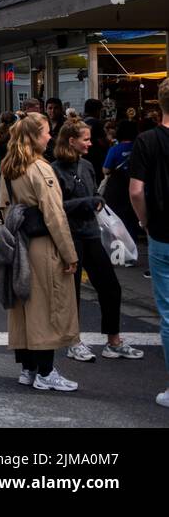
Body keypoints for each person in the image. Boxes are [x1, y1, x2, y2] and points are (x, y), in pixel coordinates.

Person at [0, 113, 81, 391]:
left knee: (22, 306)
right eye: (46, 132)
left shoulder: (9, 167)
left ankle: (28, 368)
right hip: (42, 246)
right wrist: (69, 254)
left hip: (18, 243)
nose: (50, 136)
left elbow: (3, 206)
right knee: (46, 307)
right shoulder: (40, 168)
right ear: (34, 136)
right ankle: (46, 372)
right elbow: (55, 215)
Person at [51, 119, 142, 363]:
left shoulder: (87, 166)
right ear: (72, 141)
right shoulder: (54, 170)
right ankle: (73, 342)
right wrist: (88, 202)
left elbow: (93, 194)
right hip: (69, 237)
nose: (90, 143)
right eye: (86, 139)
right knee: (72, 292)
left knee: (111, 287)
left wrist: (96, 200)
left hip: (91, 234)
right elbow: (54, 207)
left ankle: (114, 341)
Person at [127, 77, 169, 408]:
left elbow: (136, 191)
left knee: (168, 313)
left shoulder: (147, 140)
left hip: (162, 232)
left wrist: (144, 221)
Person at [102, 121, 142, 242]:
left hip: (117, 190)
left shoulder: (115, 149)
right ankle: (132, 243)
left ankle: (120, 245)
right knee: (132, 219)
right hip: (136, 185)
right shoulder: (140, 148)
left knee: (118, 219)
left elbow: (106, 170)